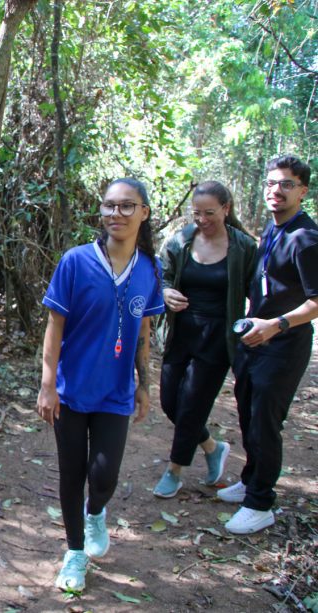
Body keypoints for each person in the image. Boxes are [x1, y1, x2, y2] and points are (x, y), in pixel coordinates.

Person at [37, 178, 165, 592]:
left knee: (104, 475)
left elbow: (144, 328)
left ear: (144, 213)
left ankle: (96, 513)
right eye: (109, 206)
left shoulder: (149, 268)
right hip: (72, 391)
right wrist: (47, 385)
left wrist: (144, 384)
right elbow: (54, 326)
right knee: (71, 472)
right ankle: (74, 553)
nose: (116, 214)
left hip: (115, 392)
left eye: (127, 206)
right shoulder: (75, 261)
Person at [218, 155, 318, 534]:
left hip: (284, 344)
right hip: (253, 341)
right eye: (272, 184)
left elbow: (316, 301)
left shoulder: (306, 239)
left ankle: (261, 503)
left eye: (287, 184)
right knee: (247, 413)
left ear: (302, 191)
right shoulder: (273, 228)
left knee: (265, 421)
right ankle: (250, 480)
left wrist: (277, 324)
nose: (277, 190)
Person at [153, 181, 257, 498]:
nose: (202, 219)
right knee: (171, 402)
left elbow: (258, 290)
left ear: (226, 209)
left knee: (193, 404)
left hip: (217, 338)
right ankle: (213, 448)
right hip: (181, 332)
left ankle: (175, 470)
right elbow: (160, 274)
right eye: (196, 213)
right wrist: (165, 291)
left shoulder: (243, 247)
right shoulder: (181, 240)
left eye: (209, 212)